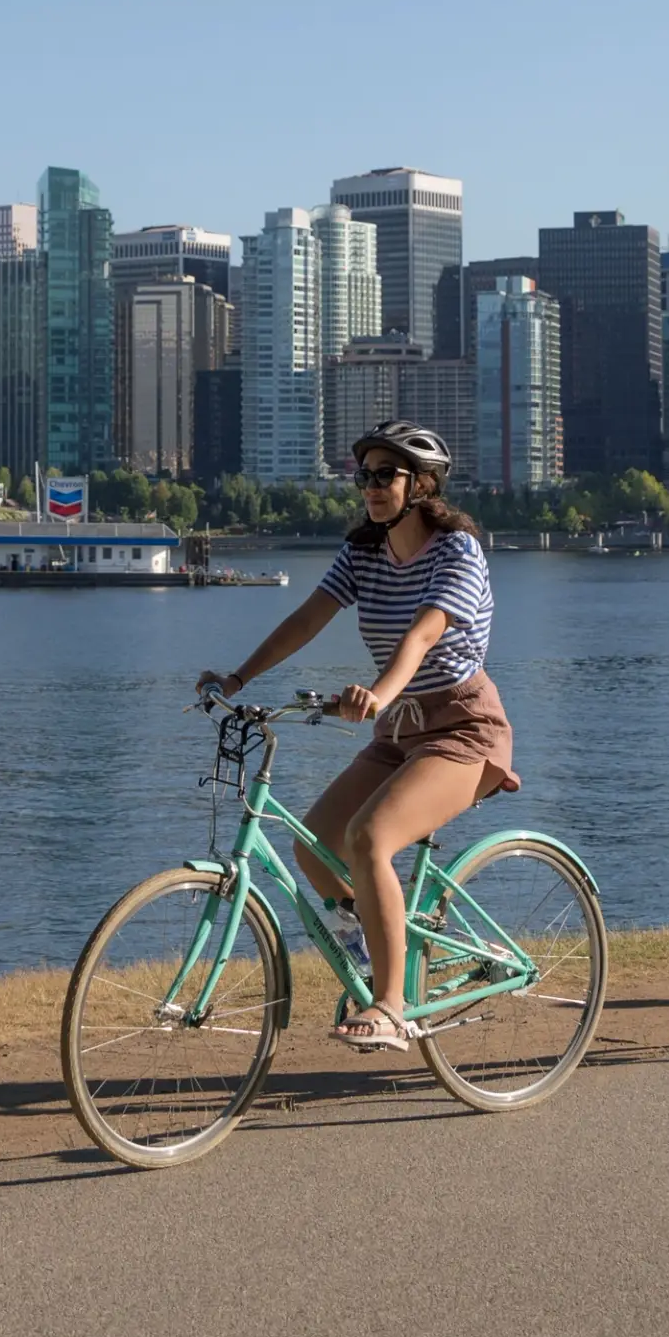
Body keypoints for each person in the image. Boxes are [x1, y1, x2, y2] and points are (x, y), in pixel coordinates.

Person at [198, 423, 516, 1051]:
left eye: (385, 475)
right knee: (315, 849)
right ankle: (377, 938)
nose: (371, 487)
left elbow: (424, 633)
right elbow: (308, 619)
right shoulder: (363, 553)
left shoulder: (458, 550)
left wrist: (381, 691)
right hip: (399, 731)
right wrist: (238, 677)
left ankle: (393, 1005)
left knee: (369, 838)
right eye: (364, 476)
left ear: (421, 484)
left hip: (463, 729)